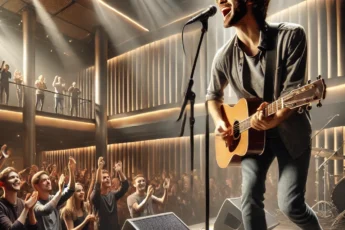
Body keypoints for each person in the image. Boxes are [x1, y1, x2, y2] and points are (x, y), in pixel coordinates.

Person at [206, 1, 322, 229]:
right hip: (250, 138)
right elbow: (213, 96)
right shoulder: (223, 56)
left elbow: (294, 93)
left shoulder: (292, 36)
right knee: (249, 201)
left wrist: (274, 119)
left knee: (290, 204)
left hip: (291, 132)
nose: (219, 1)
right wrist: (220, 122)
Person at [31, 157, 76, 230]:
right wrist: (60, 191)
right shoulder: (34, 203)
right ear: (36, 186)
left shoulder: (53, 198)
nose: (48, 181)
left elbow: (71, 190)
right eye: (44, 180)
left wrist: (71, 171)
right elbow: (46, 210)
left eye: (48, 179)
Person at [91, 158, 129, 230]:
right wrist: (99, 169)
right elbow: (97, 188)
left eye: (108, 177)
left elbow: (125, 186)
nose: (108, 179)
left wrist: (120, 172)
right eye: (104, 178)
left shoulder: (112, 195)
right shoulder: (96, 197)